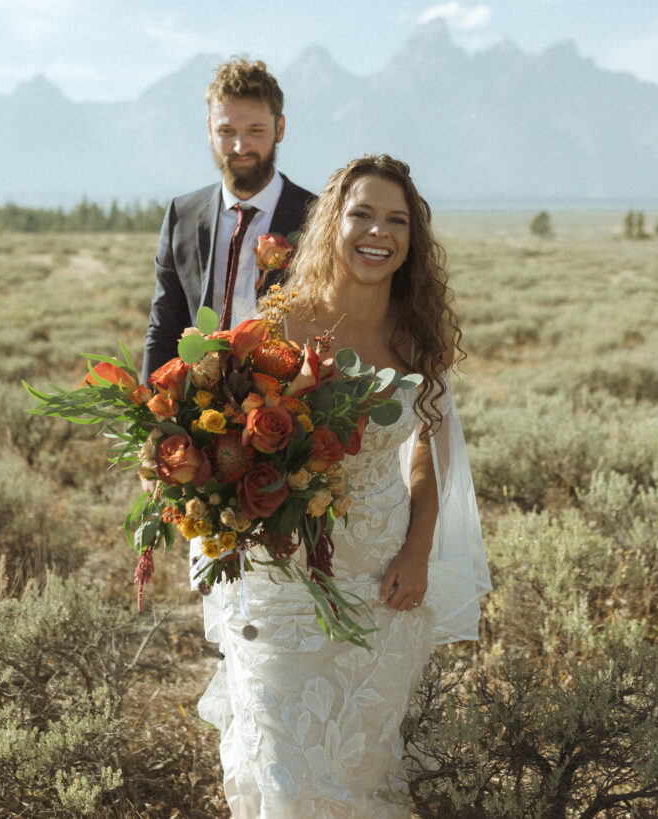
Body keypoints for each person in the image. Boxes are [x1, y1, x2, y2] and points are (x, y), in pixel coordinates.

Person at [196, 155, 491, 817]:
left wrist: (417, 553)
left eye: (396, 220)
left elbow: (428, 455)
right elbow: (228, 442)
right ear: (334, 220)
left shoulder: (419, 337)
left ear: (411, 239)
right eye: (362, 213)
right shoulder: (278, 324)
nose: (377, 231)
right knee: (287, 775)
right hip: (282, 580)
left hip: (380, 579)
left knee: (355, 776)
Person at [142, 58, 315, 382]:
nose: (240, 146)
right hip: (198, 413)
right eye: (226, 131)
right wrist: (146, 423)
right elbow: (163, 328)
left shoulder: (317, 217)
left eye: (255, 130)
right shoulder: (183, 215)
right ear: (209, 129)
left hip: (292, 411)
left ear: (280, 128)